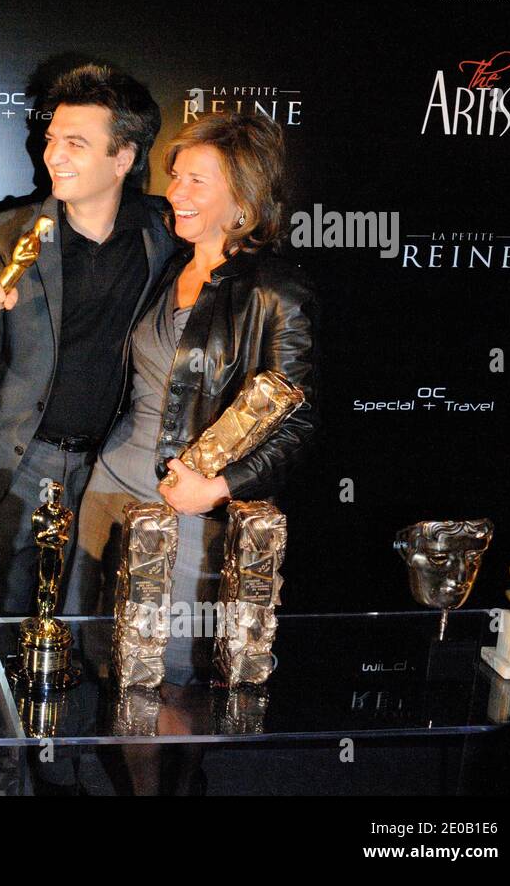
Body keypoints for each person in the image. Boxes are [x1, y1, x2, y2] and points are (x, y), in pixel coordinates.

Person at [72, 111, 320, 675]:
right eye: (175, 176)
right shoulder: (170, 264)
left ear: (243, 199)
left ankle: (175, 766)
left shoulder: (277, 291)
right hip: (111, 488)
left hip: (187, 505)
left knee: (168, 674)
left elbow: (298, 423)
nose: (176, 192)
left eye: (196, 182)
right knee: (108, 660)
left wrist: (217, 488)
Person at [0, 63, 178, 617]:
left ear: (122, 158)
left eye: (76, 144)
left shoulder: (163, 232)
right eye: (53, 140)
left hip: (108, 471)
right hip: (9, 466)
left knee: (79, 631)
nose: (54, 156)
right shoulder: (4, 233)